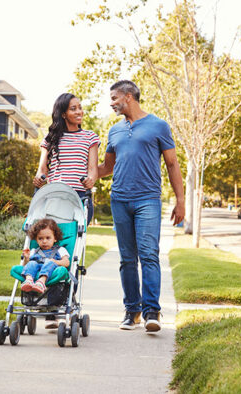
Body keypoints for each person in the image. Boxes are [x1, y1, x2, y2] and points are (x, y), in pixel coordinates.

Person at [98, 80, 185, 333]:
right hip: (119, 199)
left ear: (128, 96)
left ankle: (152, 312)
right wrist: (79, 173)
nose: (112, 103)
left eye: (114, 98)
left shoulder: (158, 125)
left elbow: (172, 164)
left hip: (148, 199)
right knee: (127, 259)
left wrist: (180, 201)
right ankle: (132, 310)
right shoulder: (114, 130)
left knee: (148, 254)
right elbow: (107, 168)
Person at [33, 93, 100, 224]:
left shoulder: (90, 137)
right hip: (54, 196)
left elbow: (92, 169)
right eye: (73, 109)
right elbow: (42, 169)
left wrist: (90, 180)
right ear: (63, 114)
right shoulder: (50, 138)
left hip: (80, 197)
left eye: (80, 108)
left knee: (76, 240)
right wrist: (39, 179)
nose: (79, 112)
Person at [21, 218, 70, 294]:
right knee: (32, 263)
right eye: (40, 238)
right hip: (36, 269)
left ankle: (41, 282)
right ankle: (29, 280)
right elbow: (25, 266)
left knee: (49, 262)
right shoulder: (34, 251)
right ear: (36, 240)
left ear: (55, 238)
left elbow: (66, 262)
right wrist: (26, 258)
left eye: (48, 238)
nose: (44, 241)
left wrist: (55, 262)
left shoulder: (60, 250)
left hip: (51, 270)